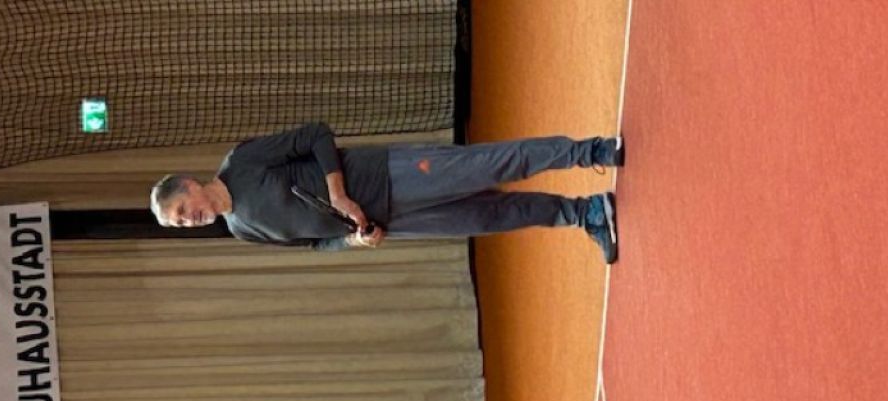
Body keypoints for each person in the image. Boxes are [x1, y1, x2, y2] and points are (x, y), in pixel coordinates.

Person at [150, 122, 623, 263]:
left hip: (389, 174)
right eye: (180, 223)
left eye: (182, 210)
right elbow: (315, 243)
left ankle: (590, 151)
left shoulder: (242, 162)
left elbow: (316, 135)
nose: (189, 220)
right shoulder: (241, 230)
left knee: (491, 165)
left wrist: (338, 194)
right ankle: (586, 213)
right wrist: (354, 240)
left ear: (189, 185)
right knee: (490, 216)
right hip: (394, 220)